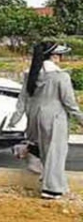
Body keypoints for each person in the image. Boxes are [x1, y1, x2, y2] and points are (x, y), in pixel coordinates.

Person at [13, 41, 83, 200]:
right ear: (54, 56)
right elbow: (69, 104)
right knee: (55, 153)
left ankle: (32, 155)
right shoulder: (61, 76)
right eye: (60, 55)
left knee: (44, 150)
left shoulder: (31, 74)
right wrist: (81, 120)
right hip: (54, 117)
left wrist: (15, 118)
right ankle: (52, 189)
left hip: (34, 115)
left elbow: (23, 99)